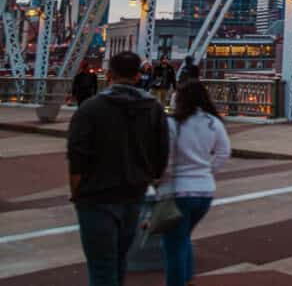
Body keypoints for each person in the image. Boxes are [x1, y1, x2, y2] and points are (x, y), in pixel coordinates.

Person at [67, 51, 170, 286]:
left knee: (101, 266)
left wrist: (77, 193)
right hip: (134, 193)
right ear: (137, 76)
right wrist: (148, 180)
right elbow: (161, 154)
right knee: (120, 259)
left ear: (109, 74)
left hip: (96, 196)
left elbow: (77, 157)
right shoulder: (153, 108)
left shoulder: (90, 109)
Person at [158, 81, 231, 286]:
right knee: (183, 238)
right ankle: (188, 280)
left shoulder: (174, 124)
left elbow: (167, 159)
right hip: (205, 192)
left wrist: (163, 178)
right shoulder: (213, 122)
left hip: (179, 191)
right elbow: (223, 153)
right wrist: (207, 171)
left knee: (173, 246)